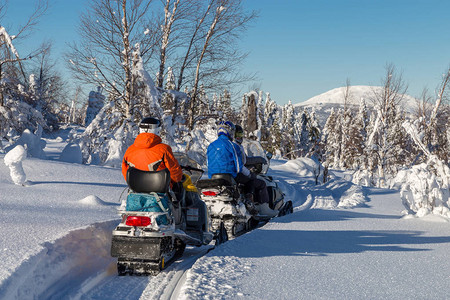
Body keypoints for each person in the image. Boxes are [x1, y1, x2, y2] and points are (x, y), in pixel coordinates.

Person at [207, 121, 276, 217]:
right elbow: (239, 166)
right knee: (252, 180)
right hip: (230, 175)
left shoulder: (211, 145)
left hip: (213, 177)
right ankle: (250, 202)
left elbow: (208, 164)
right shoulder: (232, 145)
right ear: (230, 132)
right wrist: (250, 174)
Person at [121, 117, 183, 189]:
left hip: (136, 188)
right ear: (156, 130)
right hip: (161, 189)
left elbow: (125, 170)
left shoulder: (130, 149)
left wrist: (133, 183)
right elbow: (174, 171)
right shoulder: (164, 149)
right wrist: (176, 182)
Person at [234, 124, 278, 217]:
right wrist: (259, 160)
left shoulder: (230, 145)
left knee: (250, 179)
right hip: (237, 173)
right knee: (259, 183)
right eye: (237, 135)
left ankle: (251, 201)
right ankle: (263, 208)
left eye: (240, 135)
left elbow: (243, 161)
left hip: (229, 174)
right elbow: (243, 162)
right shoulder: (236, 147)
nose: (239, 137)